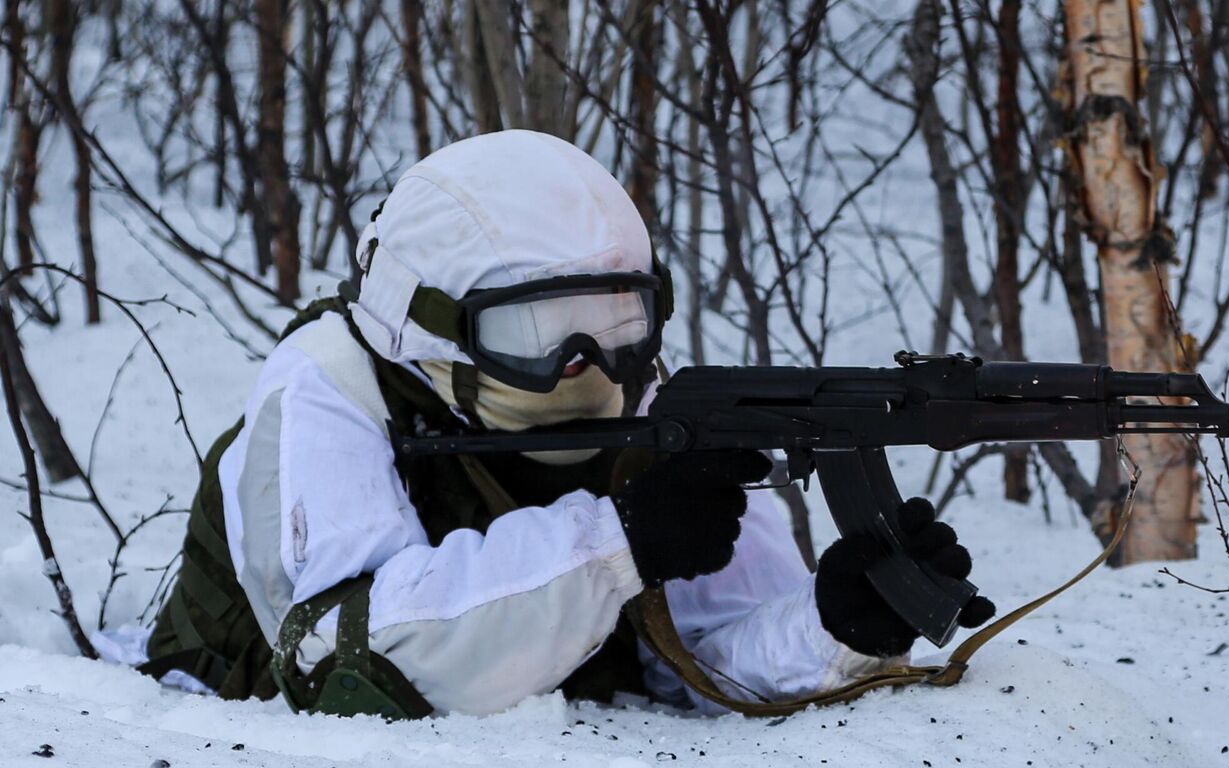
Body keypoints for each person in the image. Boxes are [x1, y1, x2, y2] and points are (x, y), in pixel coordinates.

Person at [137, 130, 995, 717]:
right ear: (428, 322)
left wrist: (833, 627)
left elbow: (701, 661)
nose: (584, 364)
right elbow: (349, 665)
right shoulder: (327, 387)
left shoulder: (639, 401)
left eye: (616, 318)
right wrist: (618, 547)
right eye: (536, 332)